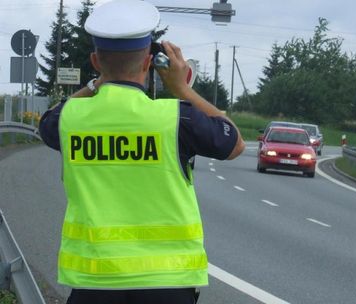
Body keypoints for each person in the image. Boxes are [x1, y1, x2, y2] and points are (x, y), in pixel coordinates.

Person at [38, 0, 245, 303]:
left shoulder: (69, 119)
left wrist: (96, 84)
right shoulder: (177, 118)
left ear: (96, 61)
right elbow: (235, 142)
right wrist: (183, 88)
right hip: (168, 283)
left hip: (94, 280)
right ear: (150, 63)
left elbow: (47, 121)